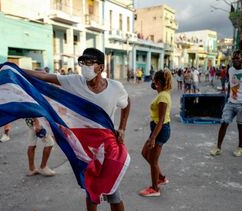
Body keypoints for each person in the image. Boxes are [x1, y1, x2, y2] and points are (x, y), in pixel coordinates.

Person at [22, 48, 130, 211]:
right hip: (84, 149)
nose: (84, 67)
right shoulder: (74, 81)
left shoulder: (115, 88)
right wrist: (15, 69)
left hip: (107, 148)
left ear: (100, 67)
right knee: (90, 190)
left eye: (89, 63)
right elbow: (45, 76)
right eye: (83, 63)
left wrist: (122, 128)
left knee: (113, 193)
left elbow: (127, 103)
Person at [210, 50, 242, 157]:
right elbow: (230, 85)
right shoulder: (230, 70)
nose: (235, 60)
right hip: (231, 102)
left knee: (241, 125)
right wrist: (227, 98)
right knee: (224, 123)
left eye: (238, 58)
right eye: (233, 58)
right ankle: (218, 147)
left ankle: (240, 147)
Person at [139, 70, 172, 197]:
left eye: (154, 80)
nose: (153, 82)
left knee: (153, 160)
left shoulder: (163, 96)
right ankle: (161, 177)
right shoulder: (162, 94)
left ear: (158, 82)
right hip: (158, 129)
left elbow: (162, 119)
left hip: (161, 130)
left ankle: (155, 188)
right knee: (145, 153)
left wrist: (153, 138)